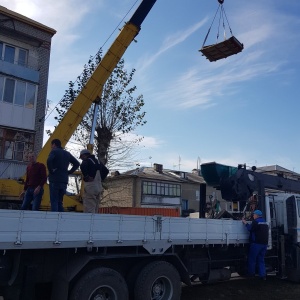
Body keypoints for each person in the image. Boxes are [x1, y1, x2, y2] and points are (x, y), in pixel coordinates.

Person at [47, 139, 79, 212]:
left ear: (54, 144)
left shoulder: (54, 151)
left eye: (51, 145)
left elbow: (49, 160)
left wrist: (51, 171)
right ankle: (61, 219)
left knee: (54, 201)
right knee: (60, 201)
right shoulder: (67, 153)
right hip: (64, 180)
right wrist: (69, 172)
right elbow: (77, 163)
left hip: (55, 179)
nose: (51, 147)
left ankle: (54, 220)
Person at [242, 209, 269, 280]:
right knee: (261, 260)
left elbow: (250, 229)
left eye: (253, 215)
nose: (253, 216)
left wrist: (245, 223)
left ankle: (251, 274)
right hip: (264, 245)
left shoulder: (255, 222)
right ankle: (263, 275)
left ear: (257, 215)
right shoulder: (265, 222)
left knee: (252, 259)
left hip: (256, 244)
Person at [79, 149, 102, 213]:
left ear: (84, 155)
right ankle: (95, 221)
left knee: (89, 206)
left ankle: (89, 222)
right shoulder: (98, 161)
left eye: (81, 157)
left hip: (91, 186)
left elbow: (82, 166)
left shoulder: (87, 160)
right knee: (96, 207)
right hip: (98, 186)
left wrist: (86, 176)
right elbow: (106, 171)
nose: (81, 159)